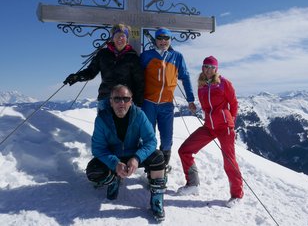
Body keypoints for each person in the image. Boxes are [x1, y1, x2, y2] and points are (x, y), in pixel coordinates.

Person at [85, 84, 167, 221]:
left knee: (158, 157)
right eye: (117, 99)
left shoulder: (139, 115)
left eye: (125, 99)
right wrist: (115, 163)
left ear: (131, 101)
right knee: (94, 171)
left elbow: (151, 141)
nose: (121, 103)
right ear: (110, 101)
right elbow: (98, 148)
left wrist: (137, 158)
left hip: (133, 153)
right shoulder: (102, 119)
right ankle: (114, 179)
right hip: (114, 156)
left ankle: (157, 201)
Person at [177, 56, 244, 207]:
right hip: (209, 127)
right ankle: (193, 185)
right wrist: (194, 108)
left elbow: (233, 103)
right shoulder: (201, 86)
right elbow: (207, 107)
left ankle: (237, 195)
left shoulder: (224, 83)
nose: (208, 69)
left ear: (216, 69)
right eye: (205, 66)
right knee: (185, 150)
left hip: (224, 127)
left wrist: (230, 121)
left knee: (229, 161)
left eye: (211, 67)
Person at [140, 27, 196, 171]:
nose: (163, 41)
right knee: (148, 137)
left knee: (167, 139)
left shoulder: (176, 56)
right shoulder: (146, 55)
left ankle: (163, 166)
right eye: (160, 38)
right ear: (156, 40)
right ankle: (150, 167)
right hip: (148, 103)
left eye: (166, 38)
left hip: (166, 104)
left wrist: (190, 99)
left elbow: (185, 77)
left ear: (170, 40)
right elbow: (137, 77)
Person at [63, 24, 144, 110]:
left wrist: (138, 103)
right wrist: (77, 77)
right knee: (103, 123)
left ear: (127, 39)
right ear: (113, 38)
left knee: (123, 124)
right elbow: (91, 71)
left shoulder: (132, 56)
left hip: (124, 100)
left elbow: (139, 81)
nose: (120, 39)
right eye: (117, 36)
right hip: (106, 98)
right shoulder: (103, 54)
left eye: (123, 36)